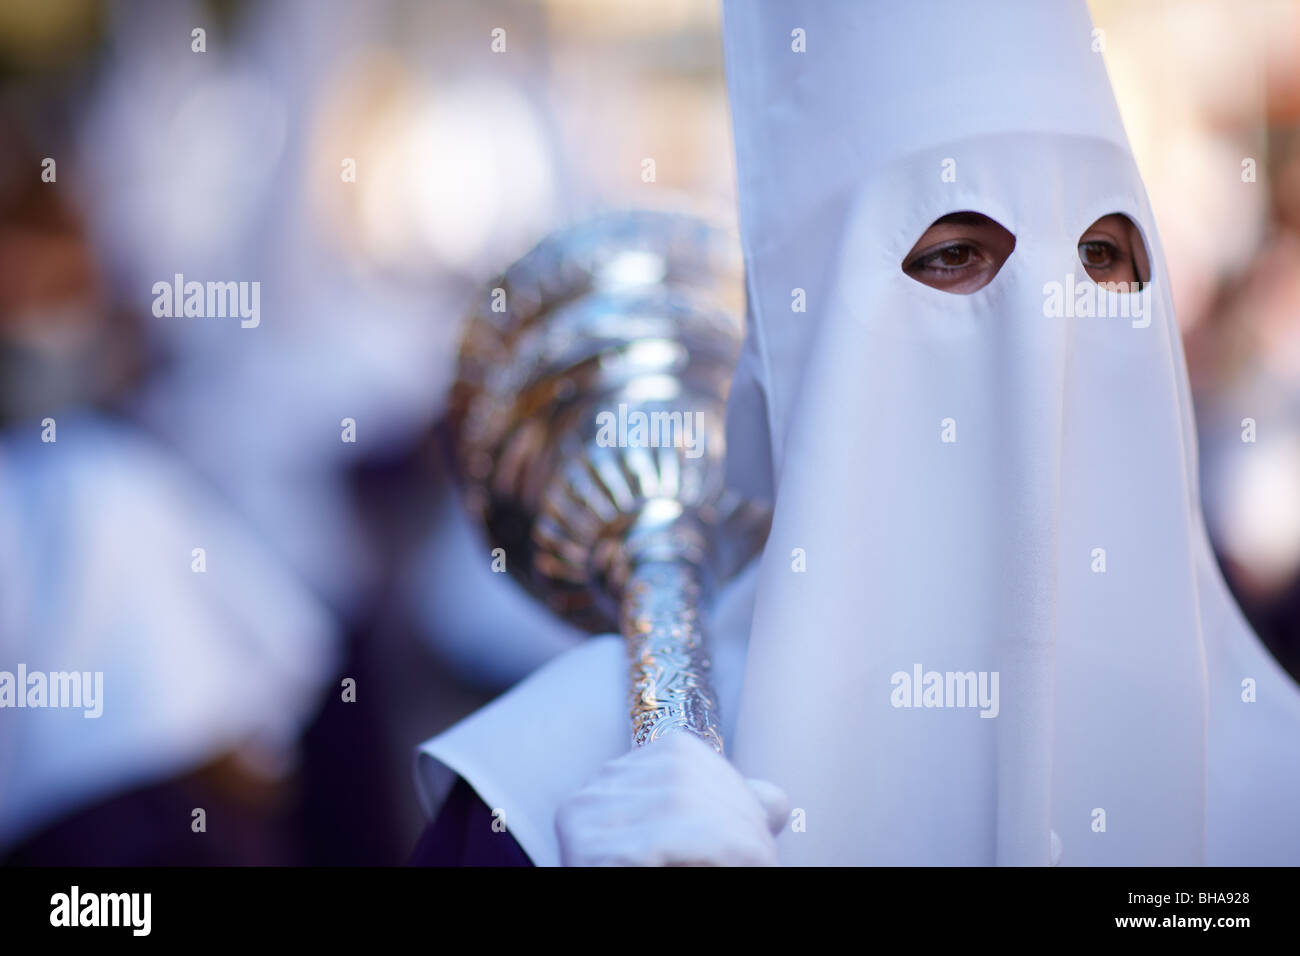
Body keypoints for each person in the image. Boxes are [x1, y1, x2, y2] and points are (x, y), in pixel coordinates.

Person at [411, 0, 1300, 866]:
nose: (1048, 325)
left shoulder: (1275, 778)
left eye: (1101, 254)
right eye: (955, 254)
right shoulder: (561, 784)